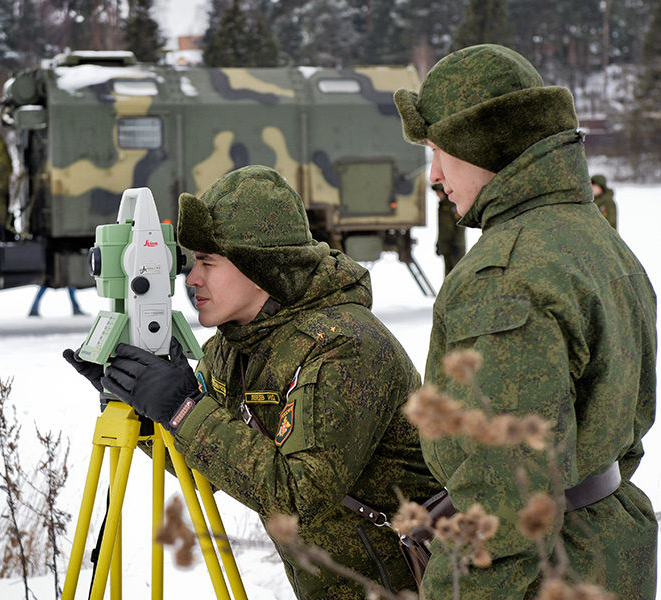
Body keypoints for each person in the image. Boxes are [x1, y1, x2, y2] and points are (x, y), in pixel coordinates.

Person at [65, 165, 443, 597]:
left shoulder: (345, 347)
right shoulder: (236, 344)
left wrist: (183, 408)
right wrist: (141, 401)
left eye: (208, 262)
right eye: (193, 261)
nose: (191, 278)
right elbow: (206, 463)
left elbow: (298, 499)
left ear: (261, 266)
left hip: (411, 584)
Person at [394, 44, 657, 598]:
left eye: (440, 152)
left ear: (484, 144)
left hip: (542, 568)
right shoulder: (592, 237)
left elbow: (507, 495)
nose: (435, 175)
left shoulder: (504, 274)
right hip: (607, 542)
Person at [433, 183, 466, 276]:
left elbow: (460, 226)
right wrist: (439, 243)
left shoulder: (453, 206)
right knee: (448, 275)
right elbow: (442, 228)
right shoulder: (442, 206)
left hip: (455, 246)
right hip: (446, 246)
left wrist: (457, 244)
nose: (437, 194)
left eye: (439, 192)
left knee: (457, 274)